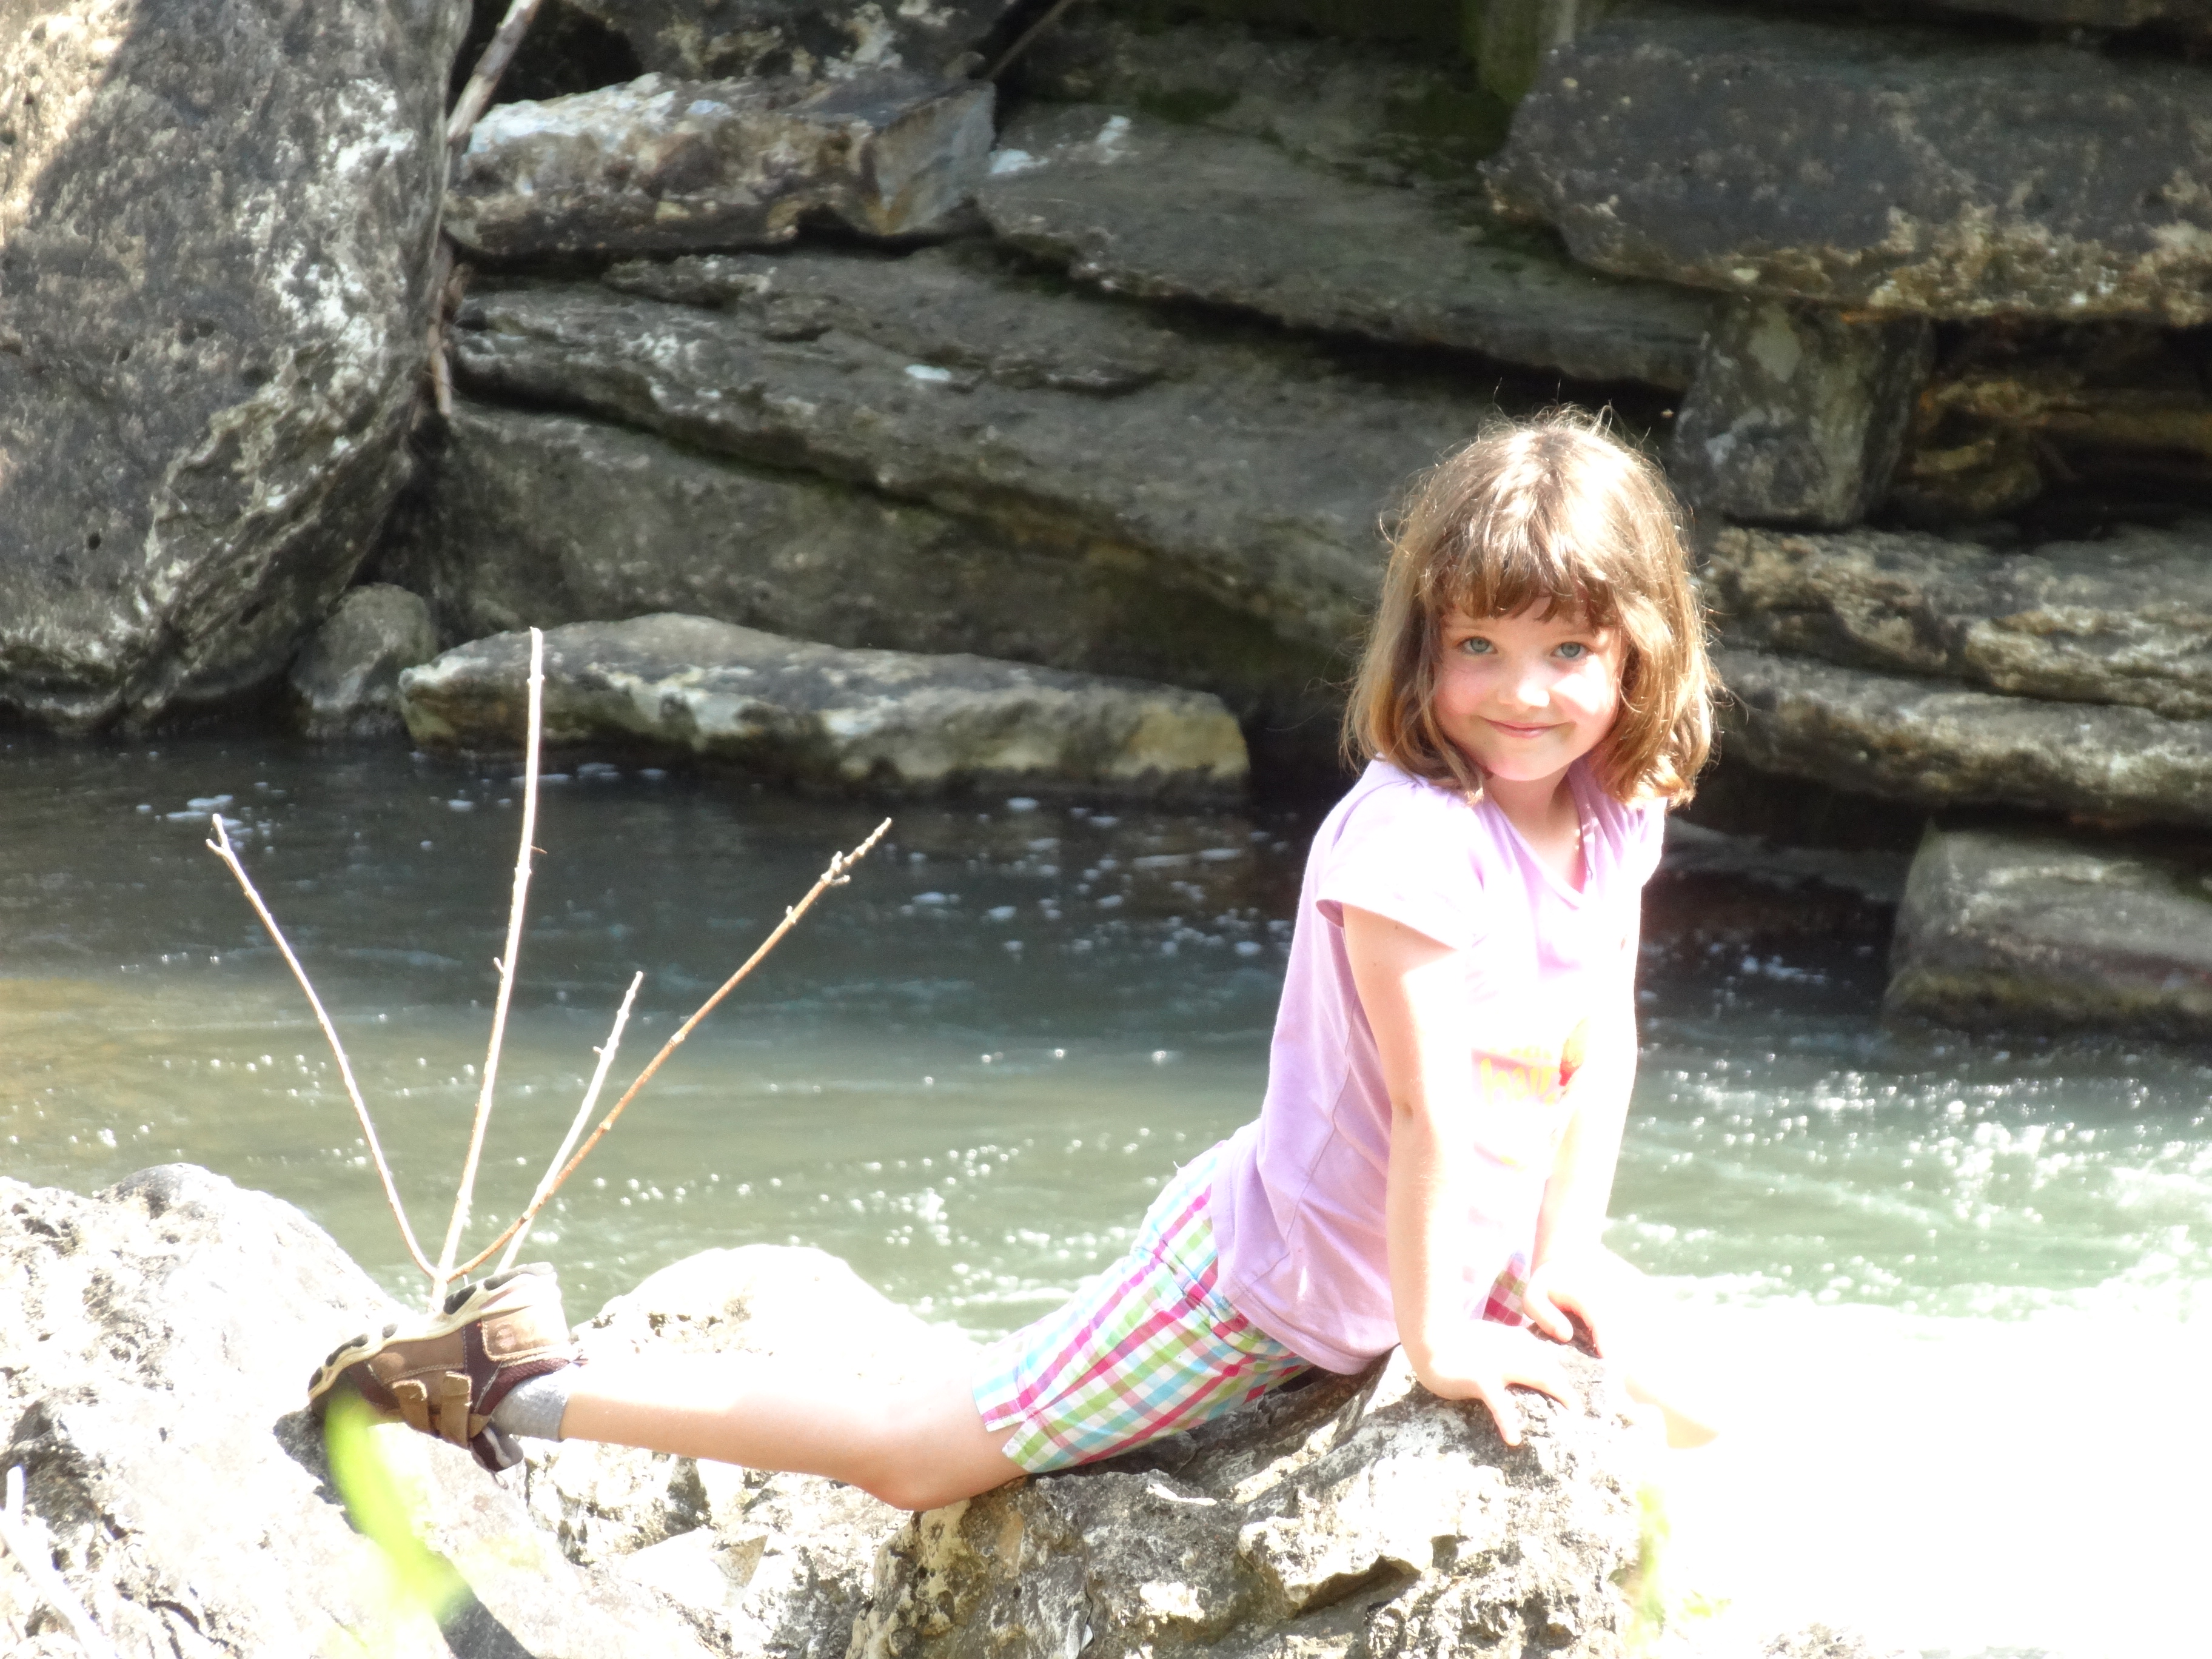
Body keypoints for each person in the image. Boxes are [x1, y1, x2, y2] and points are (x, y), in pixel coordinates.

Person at [307, 411, 1723, 1508]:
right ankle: (508, 1382)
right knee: (911, 1456)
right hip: (1277, 1281)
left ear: (1638, 654)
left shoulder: (1614, 806)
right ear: (1421, 651)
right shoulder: (1415, 846)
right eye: (1479, 645)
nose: (1522, 693)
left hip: (1450, 1247)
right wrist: (1436, 1342)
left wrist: (1558, 1255)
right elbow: (1430, 1112)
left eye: (1569, 652)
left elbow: (1600, 1043)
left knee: (1695, 1410)